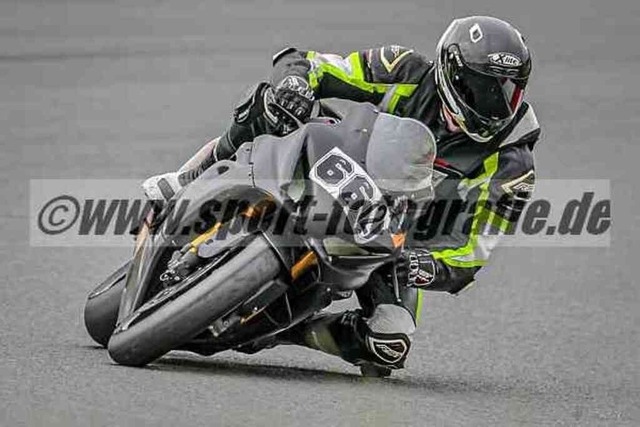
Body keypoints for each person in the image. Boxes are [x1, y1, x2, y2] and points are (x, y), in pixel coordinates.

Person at [143, 16, 540, 375]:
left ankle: (288, 330)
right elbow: (312, 64)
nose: (495, 103)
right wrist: (296, 84)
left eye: (508, 89)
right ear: (450, 73)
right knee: (269, 105)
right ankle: (186, 180)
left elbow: (473, 251)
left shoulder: (513, 163)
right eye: (481, 86)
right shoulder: (405, 69)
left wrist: (428, 267)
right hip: (338, 163)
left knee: (389, 341)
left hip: (392, 240)